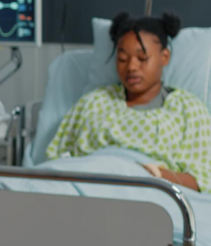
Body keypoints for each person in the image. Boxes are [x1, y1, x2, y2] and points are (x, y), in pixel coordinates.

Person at [48, 12, 211, 191]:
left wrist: (157, 176)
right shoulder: (93, 102)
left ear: (164, 57)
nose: (131, 67)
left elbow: (203, 180)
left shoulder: (188, 110)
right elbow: (57, 163)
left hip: (145, 187)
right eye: (123, 59)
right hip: (86, 181)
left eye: (142, 58)